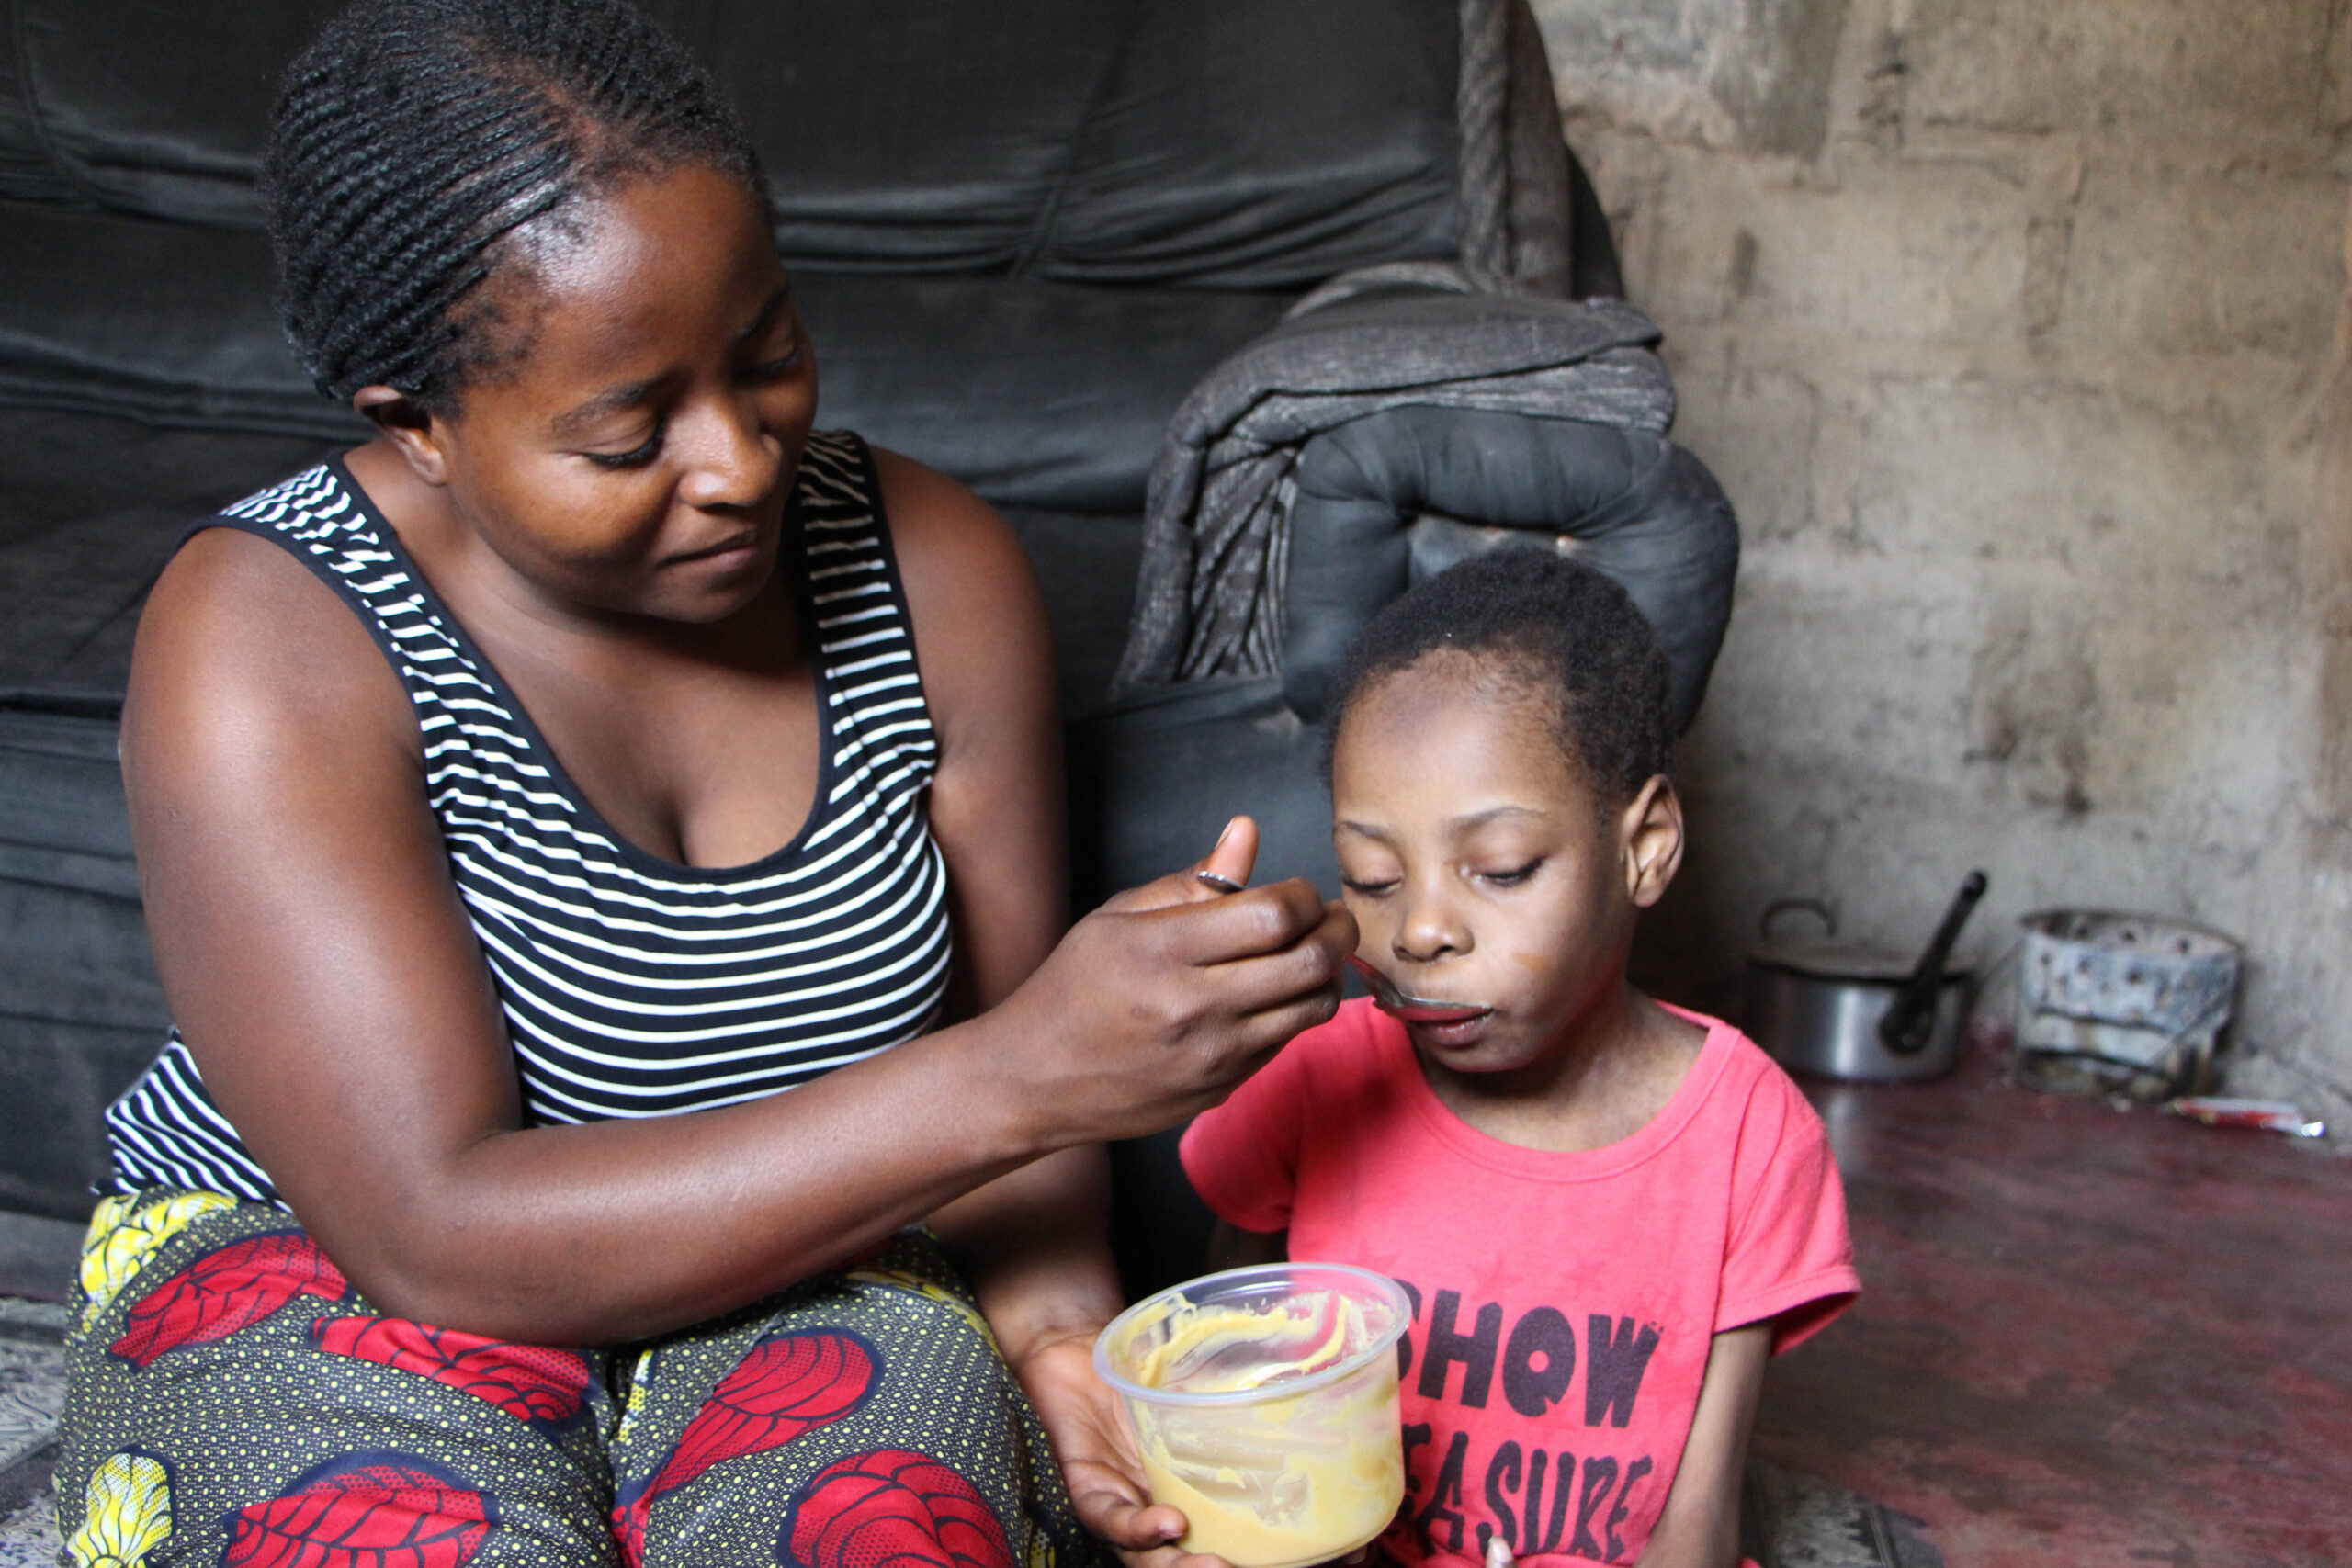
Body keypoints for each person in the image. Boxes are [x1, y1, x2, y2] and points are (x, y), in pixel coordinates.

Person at [59, 5, 1353, 1567]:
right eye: (627, 435)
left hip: (824, 1260)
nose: (741, 462)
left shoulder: (933, 567)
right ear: (419, 430)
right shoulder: (269, 631)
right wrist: (1023, 1069)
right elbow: (431, 1229)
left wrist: (1062, 1332)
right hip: (324, 1265)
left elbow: (1028, 1142)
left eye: (768, 357)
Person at [1179, 553, 1859, 1568]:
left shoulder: (1747, 1137)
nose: (1420, 930)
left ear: (1645, 846)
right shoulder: (1316, 1075)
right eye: (1372, 876)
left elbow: (1700, 1522)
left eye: (1500, 870)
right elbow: (1227, 1395)